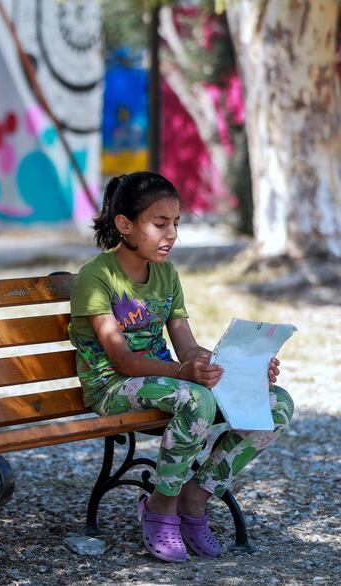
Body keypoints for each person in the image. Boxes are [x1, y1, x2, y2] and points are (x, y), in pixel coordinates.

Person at [69, 171, 293, 562]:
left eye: (176, 223)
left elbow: (187, 347)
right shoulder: (96, 277)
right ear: (124, 224)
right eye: (160, 223)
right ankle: (160, 507)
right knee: (196, 401)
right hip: (112, 387)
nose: (171, 233)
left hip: (164, 382)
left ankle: (195, 497)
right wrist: (182, 374)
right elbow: (121, 359)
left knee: (277, 405)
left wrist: (245, 367)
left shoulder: (167, 274)